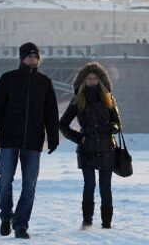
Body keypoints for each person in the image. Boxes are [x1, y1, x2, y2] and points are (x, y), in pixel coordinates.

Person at [0, 42, 59, 239]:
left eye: (35, 57)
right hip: (9, 139)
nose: (32, 60)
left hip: (34, 142)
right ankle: (5, 216)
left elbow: (51, 113)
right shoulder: (8, 79)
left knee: (29, 185)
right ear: (22, 58)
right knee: (5, 179)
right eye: (29, 56)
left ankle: (21, 225)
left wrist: (53, 137)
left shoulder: (45, 82)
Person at [59, 62, 122, 229]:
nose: (92, 81)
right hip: (86, 149)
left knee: (105, 188)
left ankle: (107, 223)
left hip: (106, 148)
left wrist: (109, 128)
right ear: (83, 80)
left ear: (100, 80)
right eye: (89, 78)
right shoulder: (78, 100)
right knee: (89, 186)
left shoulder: (108, 98)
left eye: (95, 78)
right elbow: (63, 124)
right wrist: (79, 138)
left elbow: (118, 124)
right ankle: (87, 221)